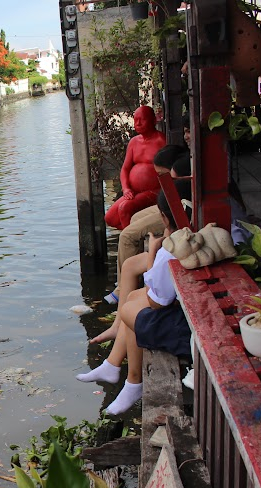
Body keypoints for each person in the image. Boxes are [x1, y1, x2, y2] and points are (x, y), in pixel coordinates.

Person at [77, 187, 191, 415]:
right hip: (189, 311)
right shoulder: (193, 235)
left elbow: (157, 299)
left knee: (131, 309)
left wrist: (153, 254)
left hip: (189, 332)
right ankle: (112, 364)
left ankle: (134, 382)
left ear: (165, 218)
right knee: (131, 297)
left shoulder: (171, 250)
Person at [103, 145, 189, 305]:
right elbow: (125, 169)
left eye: (162, 175)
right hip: (167, 204)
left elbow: (156, 304)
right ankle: (131, 281)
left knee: (127, 236)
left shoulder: (180, 171)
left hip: (174, 207)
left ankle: (123, 288)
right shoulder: (179, 164)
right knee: (135, 218)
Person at [104, 105, 166, 230]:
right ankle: (140, 230)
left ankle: (131, 240)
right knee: (110, 218)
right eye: (135, 119)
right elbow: (125, 169)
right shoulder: (133, 142)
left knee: (124, 208)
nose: (137, 123)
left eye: (141, 119)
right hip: (134, 192)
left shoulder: (161, 140)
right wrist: (126, 189)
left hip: (154, 191)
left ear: (153, 120)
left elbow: (168, 170)